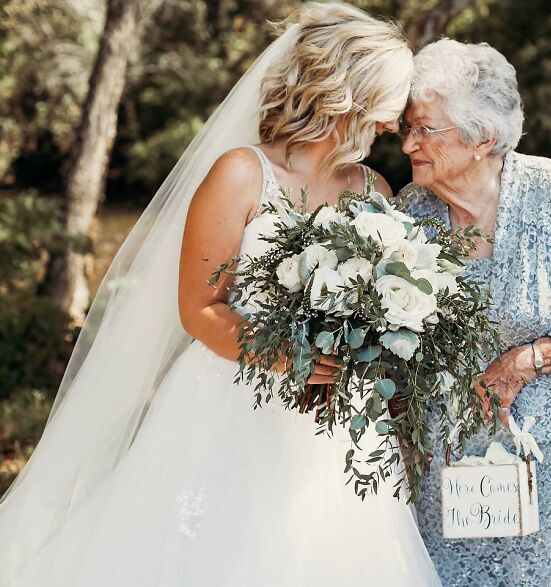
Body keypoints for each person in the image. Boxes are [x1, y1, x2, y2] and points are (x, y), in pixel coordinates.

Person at [0, 4, 442, 585]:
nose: (395, 125)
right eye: (392, 102)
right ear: (349, 92)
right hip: (235, 406)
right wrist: (289, 357)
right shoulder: (240, 174)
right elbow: (199, 309)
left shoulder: (373, 189)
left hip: (342, 422)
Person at [400, 39, 551, 586]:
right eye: (407, 128)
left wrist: (524, 361)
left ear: (483, 138)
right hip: (441, 449)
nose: (409, 144)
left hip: (548, 446)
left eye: (426, 129)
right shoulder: (409, 212)